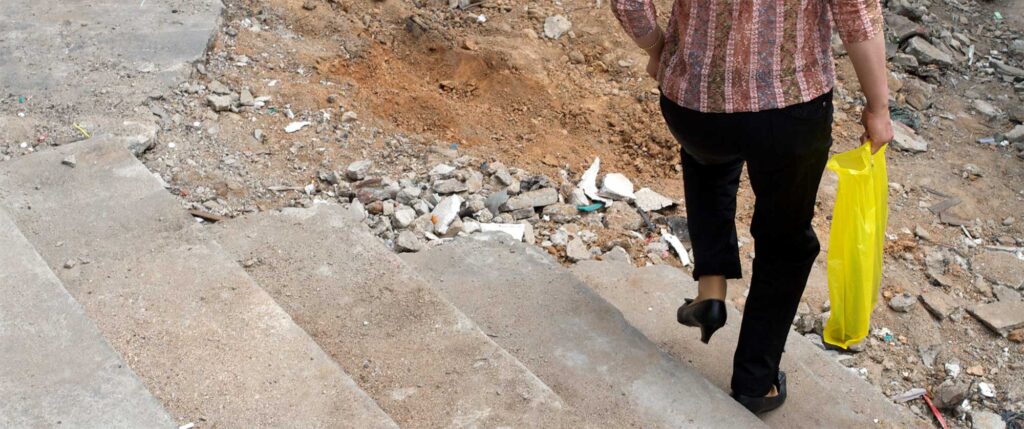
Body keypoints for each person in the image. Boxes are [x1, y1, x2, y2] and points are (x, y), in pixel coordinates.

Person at [610, 0, 894, 415]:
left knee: (709, 159)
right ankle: (754, 381)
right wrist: (878, 106)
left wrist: (655, 46)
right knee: (785, 242)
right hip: (792, 109)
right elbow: (857, 13)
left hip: (694, 107)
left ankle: (711, 286)